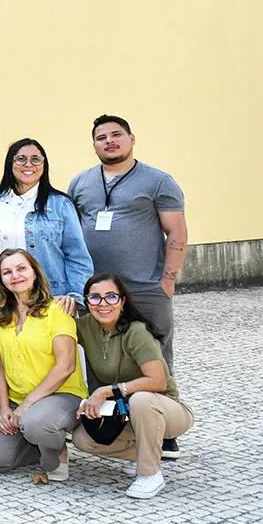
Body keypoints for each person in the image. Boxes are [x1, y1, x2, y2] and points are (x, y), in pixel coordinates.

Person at [0, 139, 94, 431]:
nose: (28, 165)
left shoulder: (59, 203)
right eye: (21, 159)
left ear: (45, 165)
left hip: (47, 296)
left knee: (45, 356)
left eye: (36, 159)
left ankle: (50, 421)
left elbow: (77, 254)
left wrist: (75, 294)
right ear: (10, 164)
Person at [67, 115, 188, 385]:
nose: (109, 141)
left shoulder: (158, 181)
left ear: (131, 139)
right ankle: (105, 422)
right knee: (99, 358)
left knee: (154, 357)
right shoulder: (80, 183)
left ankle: (157, 419)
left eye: (116, 134)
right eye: (101, 138)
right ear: (94, 145)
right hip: (96, 294)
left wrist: (167, 281)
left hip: (145, 288)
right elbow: (71, 235)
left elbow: (177, 232)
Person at [71, 275, 193, 498]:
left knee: (141, 400)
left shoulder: (137, 331)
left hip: (166, 410)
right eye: (95, 298)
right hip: (125, 414)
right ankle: (142, 455)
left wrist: (105, 391)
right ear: (87, 302)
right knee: (83, 439)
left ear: (123, 301)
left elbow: (157, 382)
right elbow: (52, 333)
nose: (103, 304)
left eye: (111, 296)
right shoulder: (85, 327)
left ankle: (150, 474)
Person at [0, 249, 88, 480]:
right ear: (1, 280)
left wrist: (26, 406)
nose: (15, 276)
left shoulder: (58, 310)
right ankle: (36, 442)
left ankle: (56, 454)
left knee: (36, 422)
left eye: (21, 268)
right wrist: (5, 407)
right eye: (6, 272)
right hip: (17, 398)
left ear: (35, 273)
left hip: (61, 395)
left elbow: (65, 366)